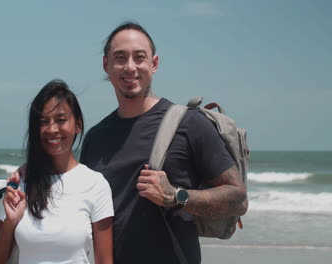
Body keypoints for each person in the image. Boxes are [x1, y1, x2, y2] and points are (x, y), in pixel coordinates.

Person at [79, 22, 248, 264]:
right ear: (107, 65)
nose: (130, 67)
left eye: (139, 57)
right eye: (120, 58)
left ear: (154, 64)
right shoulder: (95, 137)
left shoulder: (189, 123)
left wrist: (176, 196)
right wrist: (28, 176)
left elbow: (238, 198)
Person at [0, 80, 114, 264]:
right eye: (43, 122)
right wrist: (10, 222)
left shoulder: (95, 184)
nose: (52, 129)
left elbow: (104, 260)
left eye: (61, 120)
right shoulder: (22, 181)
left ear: (78, 124)